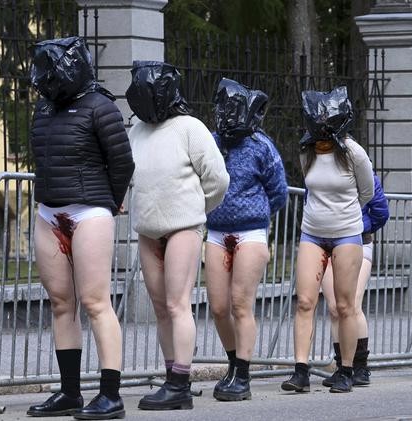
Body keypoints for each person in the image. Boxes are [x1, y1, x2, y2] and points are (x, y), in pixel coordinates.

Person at [26, 37, 134, 420]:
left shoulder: (100, 107)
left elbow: (122, 162)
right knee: (61, 304)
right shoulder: (44, 108)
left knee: (95, 301)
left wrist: (111, 200)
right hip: (49, 213)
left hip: (90, 211)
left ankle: (111, 395)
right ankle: (70, 392)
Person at [126, 61, 229, 409]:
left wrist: (198, 210)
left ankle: (180, 383)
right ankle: (171, 376)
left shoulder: (190, 128)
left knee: (176, 303)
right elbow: (131, 174)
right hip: (148, 230)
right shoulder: (136, 131)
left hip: (183, 226)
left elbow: (218, 179)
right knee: (160, 307)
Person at [280, 86, 374, 393]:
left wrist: (343, 215)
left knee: (345, 305)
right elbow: (310, 186)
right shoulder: (307, 150)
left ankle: (346, 369)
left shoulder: (353, 153)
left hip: (346, 232)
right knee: (305, 300)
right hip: (312, 232)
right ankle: (301, 370)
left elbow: (367, 192)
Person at [205, 78, 287, 401]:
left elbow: (278, 192)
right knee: (218, 306)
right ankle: (232, 362)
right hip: (216, 231)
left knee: (241, 303)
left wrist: (258, 212)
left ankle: (243, 374)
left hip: (250, 232)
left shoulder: (262, 146)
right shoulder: (212, 141)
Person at [321, 171, 389, 387]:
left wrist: (363, 228)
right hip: (326, 242)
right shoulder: (321, 170)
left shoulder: (364, 172)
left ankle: (360, 366)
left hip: (358, 242)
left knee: (352, 304)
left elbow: (380, 211)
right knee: (334, 308)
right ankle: (342, 366)